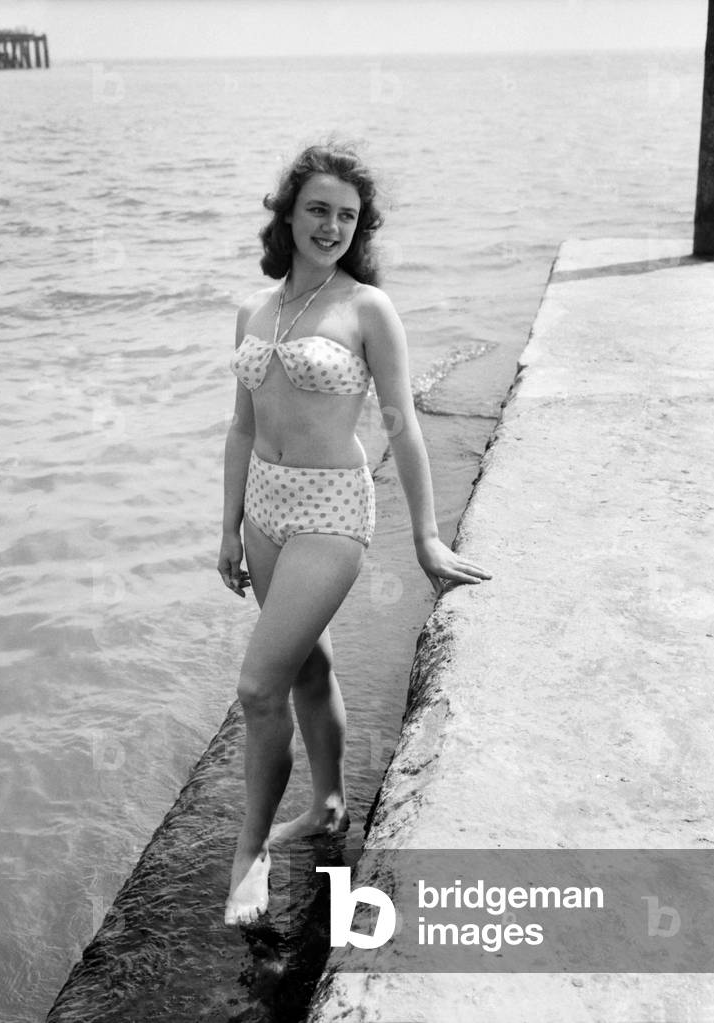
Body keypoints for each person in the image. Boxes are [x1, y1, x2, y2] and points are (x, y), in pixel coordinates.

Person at [218, 141, 491, 926]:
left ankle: (249, 855)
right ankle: (329, 803)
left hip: (330, 512)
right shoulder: (255, 308)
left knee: (256, 685)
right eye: (318, 209)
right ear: (288, 213)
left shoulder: (366, 308)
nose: (332, 225)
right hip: (263, 509)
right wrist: (228, 526)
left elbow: (403, 427)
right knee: (306, 667)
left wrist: (427, 539)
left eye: (346, 214)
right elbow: (240, 427)